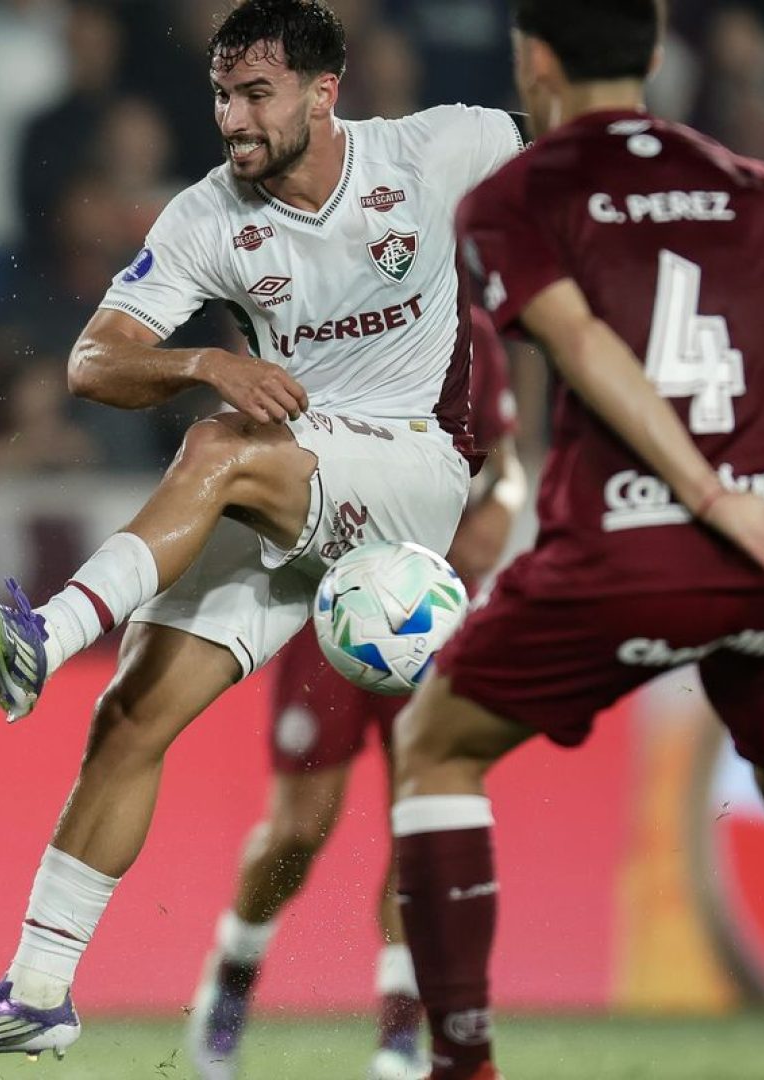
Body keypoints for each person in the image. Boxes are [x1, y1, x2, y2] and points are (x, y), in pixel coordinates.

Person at [0, 0, 526, 1063]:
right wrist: (198, 358)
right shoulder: (206, 217)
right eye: (223, 93)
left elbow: (592, 153)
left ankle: (46, 634)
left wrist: (731, 252)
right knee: (130, 720)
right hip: (295, 477)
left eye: (257, 94)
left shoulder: (435, 148)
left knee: (216, 448)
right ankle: (40, 992)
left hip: (416, 471)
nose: (233, 115)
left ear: (326, 93)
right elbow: (92, 360)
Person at [391, 3, 764, 1079]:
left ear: (534, 60)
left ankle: (460, 1064)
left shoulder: (516, 195)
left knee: (437, 749)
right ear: (657, 54)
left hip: (626, 548)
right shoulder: (752, 184)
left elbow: (583, 341)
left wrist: (697, 491)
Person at [188, 307, 524, 1080]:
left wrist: (501, 509)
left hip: (435, 605)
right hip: (330, 597)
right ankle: (233, 976)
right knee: (299, 829)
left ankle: (400, 1033)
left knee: (421, 819)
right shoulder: (315, 310)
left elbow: (508, 463)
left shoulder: (466, 331)